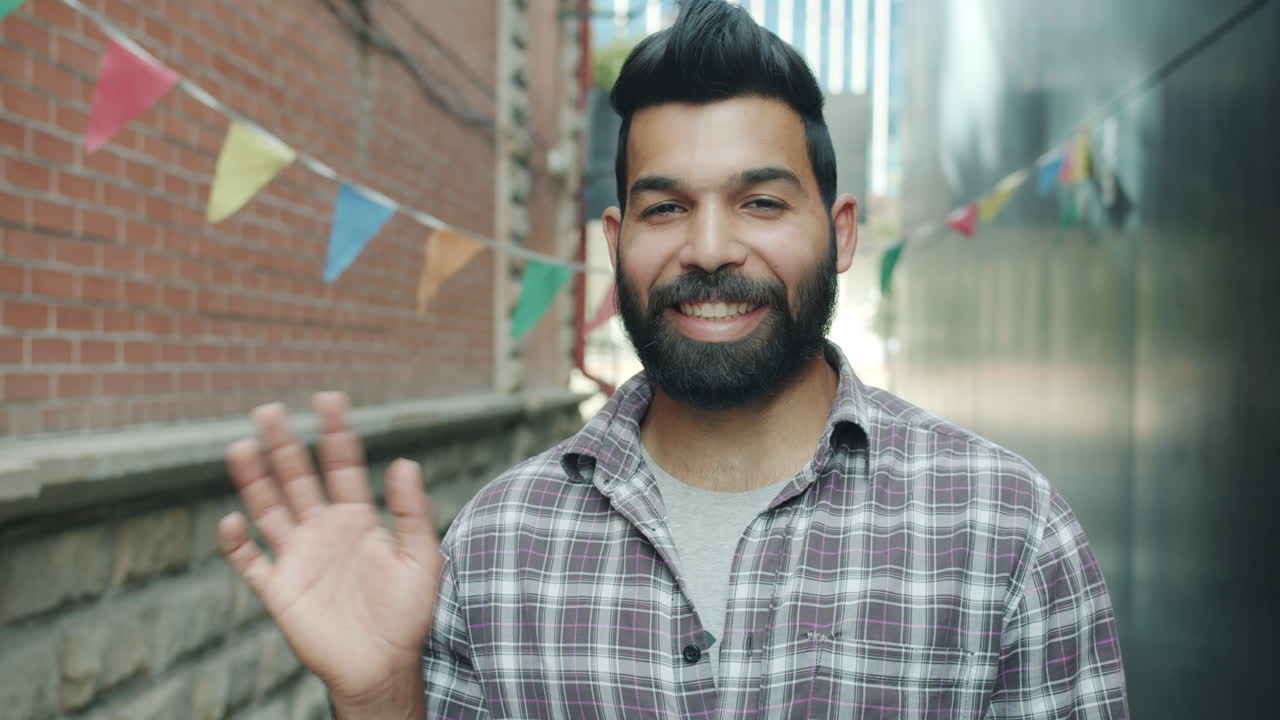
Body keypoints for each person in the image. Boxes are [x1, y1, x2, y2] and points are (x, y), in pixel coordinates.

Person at [217, 1, 1129, 717]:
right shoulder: (494, 550)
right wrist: (378, 700)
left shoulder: (1007, 534)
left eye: (762, 203)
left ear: (841, 233)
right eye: (664, 209)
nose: (709, 249)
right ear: (616, 241)